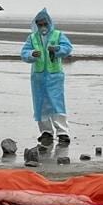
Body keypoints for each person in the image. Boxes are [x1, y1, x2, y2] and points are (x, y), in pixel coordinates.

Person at [21, 9, 74, 144]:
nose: (42, 27)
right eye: (40, 24)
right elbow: (24, 53)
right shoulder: (32, 38)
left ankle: (62, 132)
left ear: (49, 23)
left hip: (54, 76)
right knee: (41, 105)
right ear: (36, 25)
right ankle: (46, 132)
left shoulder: (57, 35)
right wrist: (32, 54)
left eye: (45, 24)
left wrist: (57, 49)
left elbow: (67, 48)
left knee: (57, 104)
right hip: (38, 77)